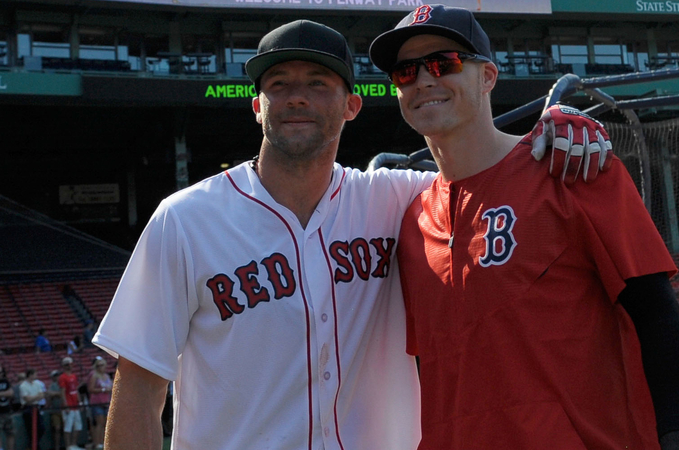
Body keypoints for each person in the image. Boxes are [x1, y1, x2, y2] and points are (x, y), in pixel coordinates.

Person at [92, 19, 605, 450]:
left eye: (318, 83)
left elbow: (485, 167)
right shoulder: (184, 219)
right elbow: (139, 386)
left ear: (351, 107)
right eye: (279, 85)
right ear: (257, 107)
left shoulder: (401, 199)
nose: (297, 97)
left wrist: (556, 124)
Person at [369, 5, 679, 449]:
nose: (423, 81)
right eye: (405, 72)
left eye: (442, 63)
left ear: (488, 76)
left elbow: (658, 318)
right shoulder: (408, 222)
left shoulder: (574, 168)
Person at [87, 357, 112, 450]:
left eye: (102, 365)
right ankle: (97, 443)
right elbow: (90, 389)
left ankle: (103, 442)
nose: (100, 367)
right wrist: (103, 389)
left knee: (106, 423)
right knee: (99, 423)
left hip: (106, 402)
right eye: (98, 365)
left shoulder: (107, 376)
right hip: (97, 402)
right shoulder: (94, 375)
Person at [58, 357, 83, 450]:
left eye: (70, 364)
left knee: (78, 426)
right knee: (68, 427)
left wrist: (80, 402)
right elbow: (62, 392)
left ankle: (73, 444)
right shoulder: (63, 377)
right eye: (67, 364)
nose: (69, 366)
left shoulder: (74, 376)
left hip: (75, 405)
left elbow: (76, 390)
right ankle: (68, 446)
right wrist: (65, 405)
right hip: (69, 405)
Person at [19, 369, 46, 449]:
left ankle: (35, 445)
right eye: (34, 374)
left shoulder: (37, 384)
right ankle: (33, 446)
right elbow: (27, 399)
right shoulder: (23, 386)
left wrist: (33, 398)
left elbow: (42, 395)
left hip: (36, 407)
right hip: (28, 408)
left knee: (41, 428)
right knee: (31, 430)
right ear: (30, 375)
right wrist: (37, 397)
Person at [0, 364, 16, 450]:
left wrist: (1, 393)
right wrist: (5, 393)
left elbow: (11, 393)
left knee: (11, 433)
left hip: (7, 411)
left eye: (1, 372)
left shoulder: (5, 382)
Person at [48, 370, 64, 450]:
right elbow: (50, 393)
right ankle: (57, 447)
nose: (57, 377)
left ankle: (67, 446)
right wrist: (59, 394)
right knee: (57, 428)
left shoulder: (63, 383)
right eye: (55, 376)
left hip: (65, 409)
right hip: (55, 410)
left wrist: (57, 394)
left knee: (66, 428)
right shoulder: (52, 385)